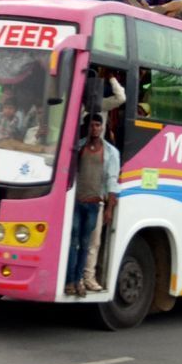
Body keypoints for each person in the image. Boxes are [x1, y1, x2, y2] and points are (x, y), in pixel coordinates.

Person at [67, 113, 119, 297]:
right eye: (91, 125)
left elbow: (113, 182)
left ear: (103, 127)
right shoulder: (78, 147)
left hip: (94, 205)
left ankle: (81, 279)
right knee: (73, 243)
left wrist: (109, 209)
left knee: (88, 243)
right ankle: (71, 281)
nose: (95, 128)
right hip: (76, 204)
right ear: (86, 127)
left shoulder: (111, 152)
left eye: (98, 125)